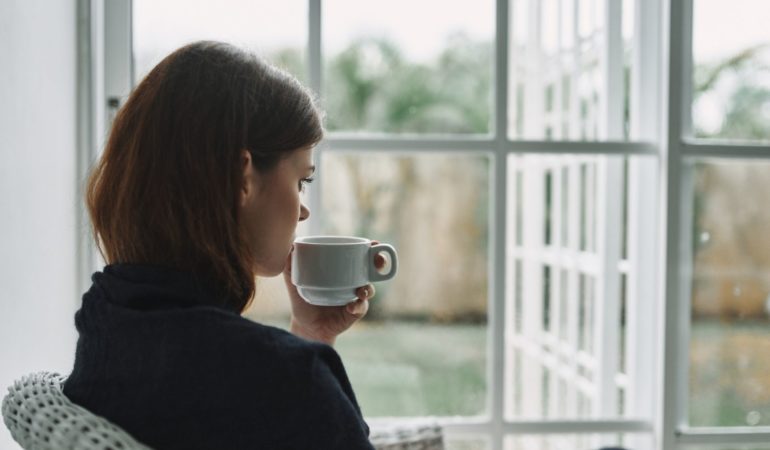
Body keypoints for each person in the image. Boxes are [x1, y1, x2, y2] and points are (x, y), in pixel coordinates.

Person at [63, 41, 376, 450]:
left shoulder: (105, 316)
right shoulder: (290, 379)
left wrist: (309, 334)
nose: (303, 211)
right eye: (302, 180)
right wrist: (305, 361)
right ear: (241, 177)